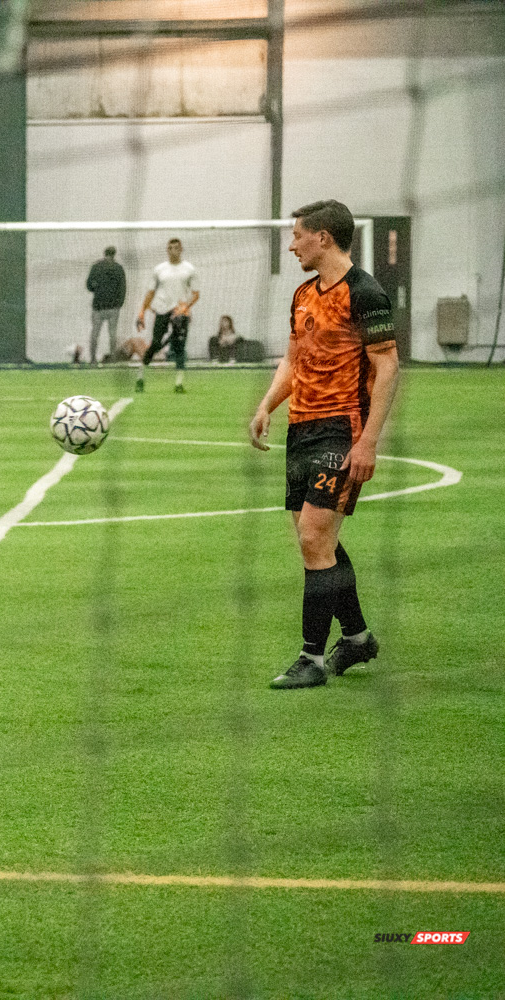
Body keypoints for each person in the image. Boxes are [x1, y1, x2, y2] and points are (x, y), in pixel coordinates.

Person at [251, 200, 399, 690]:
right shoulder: (302, 294)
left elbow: (387, 367)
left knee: (315, 538)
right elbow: (294, 361)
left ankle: (311, 659)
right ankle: (356, 639)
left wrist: (369, 442)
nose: (291, 244)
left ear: (324, 238)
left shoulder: (366, 293)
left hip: (342, 428)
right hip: (302, 428)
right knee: (317, 541)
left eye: (297, 235)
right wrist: (266, 406)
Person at [135, 238, 198, 393]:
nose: (172, 250)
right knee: (156, 343)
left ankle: (179, 383)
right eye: (170, 248)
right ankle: (140, 376)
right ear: (167, 250)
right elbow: (150, 293)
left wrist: (185, 308)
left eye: (176, 248)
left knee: (179, 347)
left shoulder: (189, 269)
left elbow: (195, 294)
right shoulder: (159, 269)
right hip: (162, 309)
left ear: (181, 249)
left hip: (179, 312)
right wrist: (142, 312)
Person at [86, 245, 126, 365]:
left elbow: (89, 285)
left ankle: (93, 359)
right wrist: (119, 303)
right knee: (113, 334)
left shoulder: (96, 267)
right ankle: (113, 359)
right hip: (113, 306)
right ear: (114, 254)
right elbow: (123, 288)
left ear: (104, 253)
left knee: (94, 334)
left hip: (98, 305)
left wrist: (97, 290)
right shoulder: (118, 268)